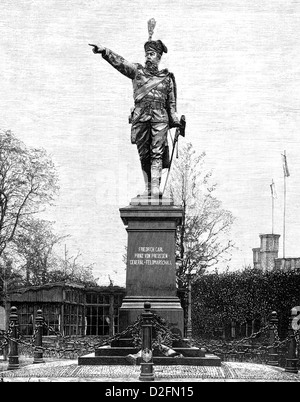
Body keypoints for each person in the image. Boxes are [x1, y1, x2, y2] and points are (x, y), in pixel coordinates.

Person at [89, 34, 181, 198]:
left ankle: (154, 187)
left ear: (159, 58)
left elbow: (172, 104)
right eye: (146, 54)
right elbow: (121, 63)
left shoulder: (167, 79)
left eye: (151, 54)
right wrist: (105, 52)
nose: (148, 57)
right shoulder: (137, 72)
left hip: (160, 117)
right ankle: (147, 187)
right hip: (140, 116)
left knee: (157, 152)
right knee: (144, 154)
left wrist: (176, 120)